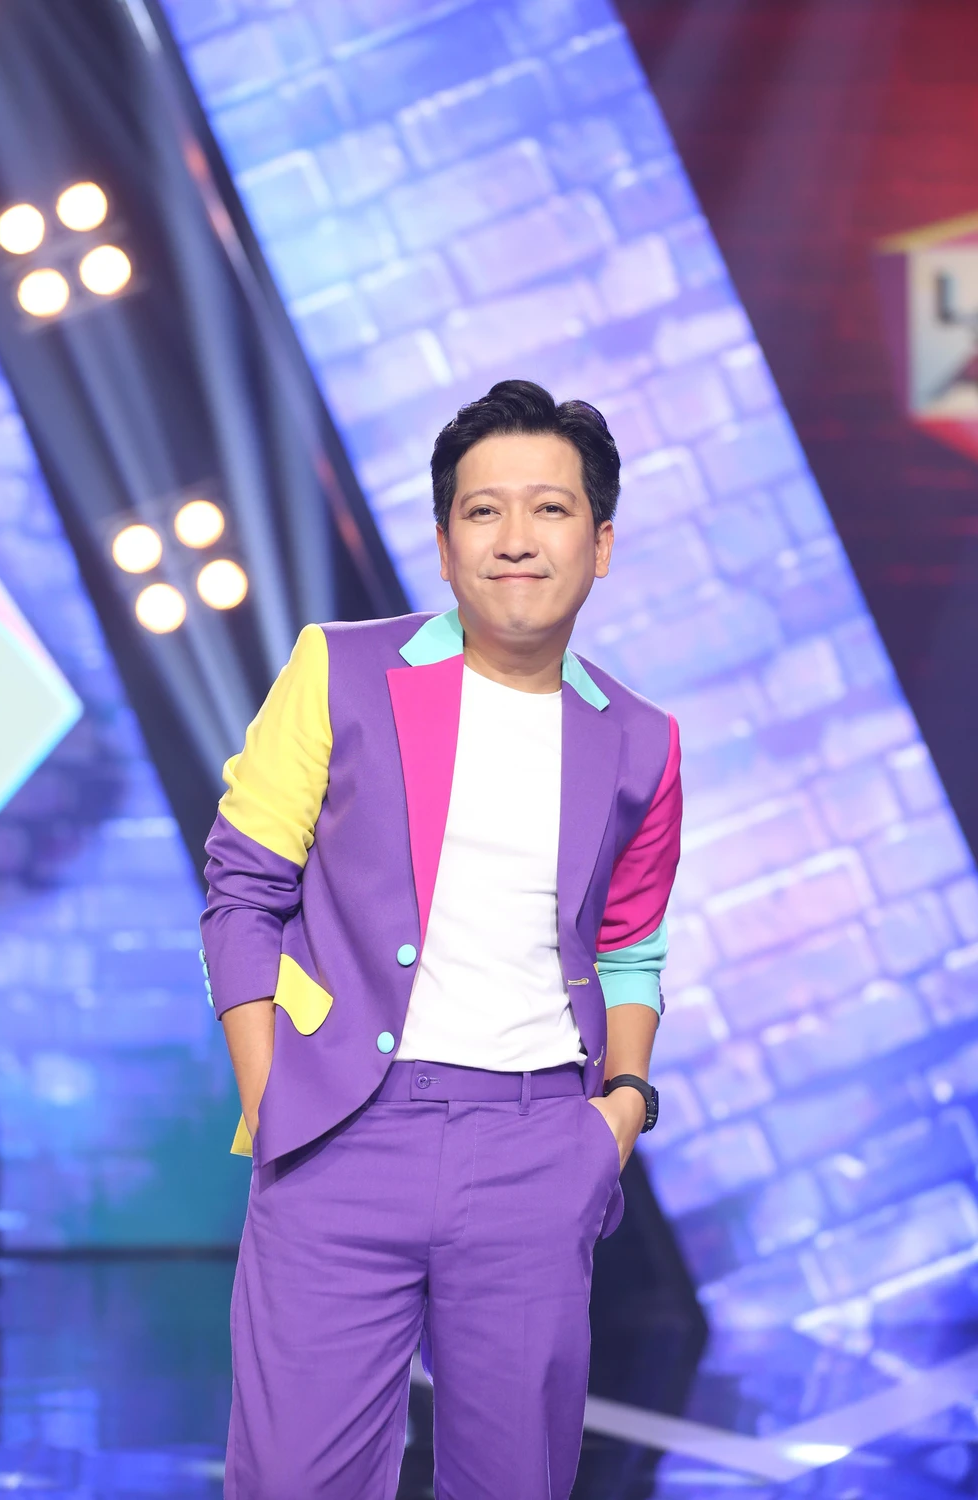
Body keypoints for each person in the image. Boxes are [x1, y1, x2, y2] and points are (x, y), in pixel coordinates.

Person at [200, 378, 682, 1499]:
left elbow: (632, 944)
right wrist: (275, 1097)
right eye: (482, 510)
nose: (516, 538)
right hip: (337, 1135)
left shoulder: (641, 741)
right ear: (444, 539)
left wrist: (619, 1109)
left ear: (602, 544)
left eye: (550, 509)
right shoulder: (340, 670)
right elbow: (242, 889)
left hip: (538, 1146)